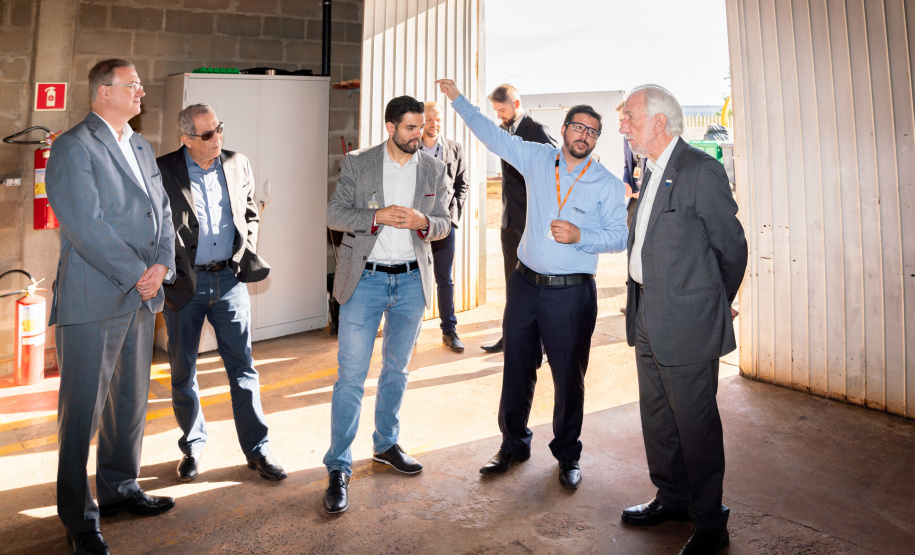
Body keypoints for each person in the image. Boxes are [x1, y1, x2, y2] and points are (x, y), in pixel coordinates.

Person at [436, 79, 628, 490]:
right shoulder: (538, 158)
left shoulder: (607, 184)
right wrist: (458, 101)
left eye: (593, 131)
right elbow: (490, 135)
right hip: (524, 285)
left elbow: (620, 236)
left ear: (597, 139)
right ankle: (513, 443)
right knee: (517, 367)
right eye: (578, 127)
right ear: (564, 130)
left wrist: (582, 237)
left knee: (568, 377)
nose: (585, 135)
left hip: (571, 293)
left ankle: (567, 455)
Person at [45, 58, 177, 555]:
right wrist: (136, 274)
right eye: (133, 85)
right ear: (104, 91)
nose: (141, 91)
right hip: (96, 293)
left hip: (143, 292)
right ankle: (78, 517)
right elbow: (84, 224)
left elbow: (161, 211)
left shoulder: (139, 144)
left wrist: (161, 265)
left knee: (129, 402)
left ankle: (121, 488)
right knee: (82, 411)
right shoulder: (74, 146)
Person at [617, 84, 747, 555]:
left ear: (659, 122)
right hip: (647, 312)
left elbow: (732, 248)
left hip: (688, 320)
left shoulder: (699, 169)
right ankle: (672, 498)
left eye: (630, 116)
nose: (622, 125)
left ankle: (711, 520)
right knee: (657, 417)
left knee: (695, 423)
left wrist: (714, 300)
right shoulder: (649, 170)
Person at [323, 95, 451, 514]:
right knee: (351, 377)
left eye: (422, 127)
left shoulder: (433, 166)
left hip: (412, 283)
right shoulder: (360, 163)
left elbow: (445, 222)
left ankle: (386, 444)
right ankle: (339, 466)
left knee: (397, 369)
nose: (420, 134)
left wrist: (424, 223)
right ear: (390, 127)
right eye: (411, 127)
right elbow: (335, 214)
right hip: (365, 281)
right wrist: (377, 216)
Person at [157, 104, 286, 484]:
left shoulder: (236, 162)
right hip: (186, 284)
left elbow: (249, 212)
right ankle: (192, 445)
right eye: (207, 134)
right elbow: (156, 222)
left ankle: (257, 449)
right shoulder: (164, 169)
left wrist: (246, 249)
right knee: (184, 371)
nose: (217, 140)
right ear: (186, 139)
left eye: (219, 130)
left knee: (243, 368)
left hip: (228, 281)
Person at [480, 84, 557, 354]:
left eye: (502, 110)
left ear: (516, 103)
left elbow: (555, 171)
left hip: (532, 224)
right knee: (512, 285)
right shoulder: (502, 132)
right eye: (496, 111)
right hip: (509, 223)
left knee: (536, 285)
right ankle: (510, 336)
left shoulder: (537, 131)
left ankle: (543, 343)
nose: (499, 116)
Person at [422, 101, 468, 352]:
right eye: (429, 119)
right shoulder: (411, 148)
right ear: (421, 121)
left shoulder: (454, 149)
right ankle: (411, 330)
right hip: (415, 226)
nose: (434, 123)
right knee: (415, 278)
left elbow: (462, 185)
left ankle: (449, 331)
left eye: (438, 119)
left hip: (444, 227)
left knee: (444, 279)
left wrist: (451, 219)